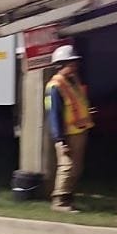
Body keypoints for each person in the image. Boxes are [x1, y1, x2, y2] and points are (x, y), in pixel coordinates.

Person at [45, 44, 93, 211]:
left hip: (79, 132)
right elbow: (54, 114)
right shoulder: (55, 86)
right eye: (71, 63)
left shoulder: (73, 81)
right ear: (61, 64)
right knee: (66, 167)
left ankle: (68, 198)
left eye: (74, 63)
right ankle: (59, 201)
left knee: (75, 168)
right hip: (67, 134)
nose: (74, 66)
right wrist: (60, 139)